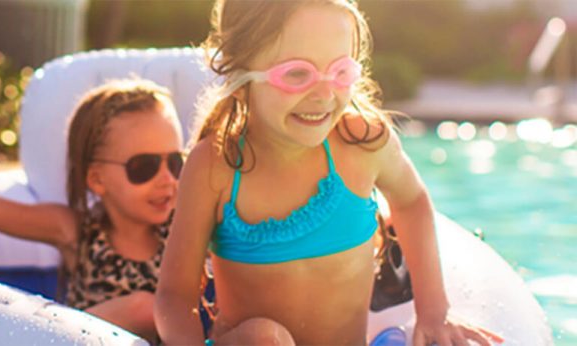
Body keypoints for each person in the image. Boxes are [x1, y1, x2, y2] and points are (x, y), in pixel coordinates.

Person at [155, 1, 504, 345]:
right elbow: (174, 294)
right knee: (266, 338)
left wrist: (433, 311)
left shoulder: (362, 145)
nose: (323, 94)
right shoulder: (216, 167)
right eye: (296, 74)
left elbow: (411, 200)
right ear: (241, 70)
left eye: (340, 72)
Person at [0, 78, 184, 342]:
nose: (167, 179)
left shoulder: (183, 231)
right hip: (84, 341)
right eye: (144, 166)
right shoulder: (76, 231)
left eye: (176, 162)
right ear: (97, 179)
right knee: (144, 308)